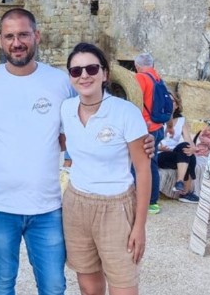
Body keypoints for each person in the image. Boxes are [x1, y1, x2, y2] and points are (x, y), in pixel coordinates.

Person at [0, 8, 155, 295]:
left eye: (23, 34)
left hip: (47, 206)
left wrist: (140, 139)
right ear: (0, 40)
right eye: (10, 36)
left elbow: (96, 105)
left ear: (36, 36)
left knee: (53, 286)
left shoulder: (60, 82)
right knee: (2, 282)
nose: (17, 42)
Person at [60, 42, 151, 295]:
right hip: (76, 204)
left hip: (116, 207)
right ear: (70, 77)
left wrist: (139, 226)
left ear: (105, 73)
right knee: (89, 288)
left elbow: (143, 171)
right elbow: (61, 143)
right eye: (76, 71)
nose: (84, 75)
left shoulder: (125, 113)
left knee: (123, 288)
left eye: (91, 68)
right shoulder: (66, 109)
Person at [134, 53, 166, 215]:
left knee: (141, 164)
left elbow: (135, 102)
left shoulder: (140, 78)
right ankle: (151, 199)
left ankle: (149, 201)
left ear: (137, 65)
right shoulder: (157, 77)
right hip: (159, 126)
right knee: (152, 161)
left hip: (146, 126)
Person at [157, 92, 199, 204]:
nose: (169, 104)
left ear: (177, 105)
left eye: (172, 101)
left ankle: (179, 182)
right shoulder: (156, 117)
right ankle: (186, 193)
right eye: (167, 101)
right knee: (189, 157)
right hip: (159, 153)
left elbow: (188, 140)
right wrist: (159, 148)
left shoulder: (181, 121)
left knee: (186, 148)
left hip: (173, 154)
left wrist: (193, 148)